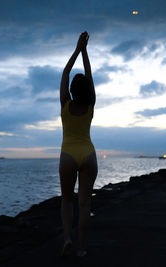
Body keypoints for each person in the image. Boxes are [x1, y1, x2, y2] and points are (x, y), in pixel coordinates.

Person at [59, 31, 97, 258]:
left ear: (72, 91)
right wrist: (85, 51)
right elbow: (89, 75)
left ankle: (67, 240)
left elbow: (65, 72)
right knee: (84, 204)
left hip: (68, 155)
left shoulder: (65, 104)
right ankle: (81, 248)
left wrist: (77, 49)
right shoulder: (91, 103)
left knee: (67, 201)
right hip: (89, 155)